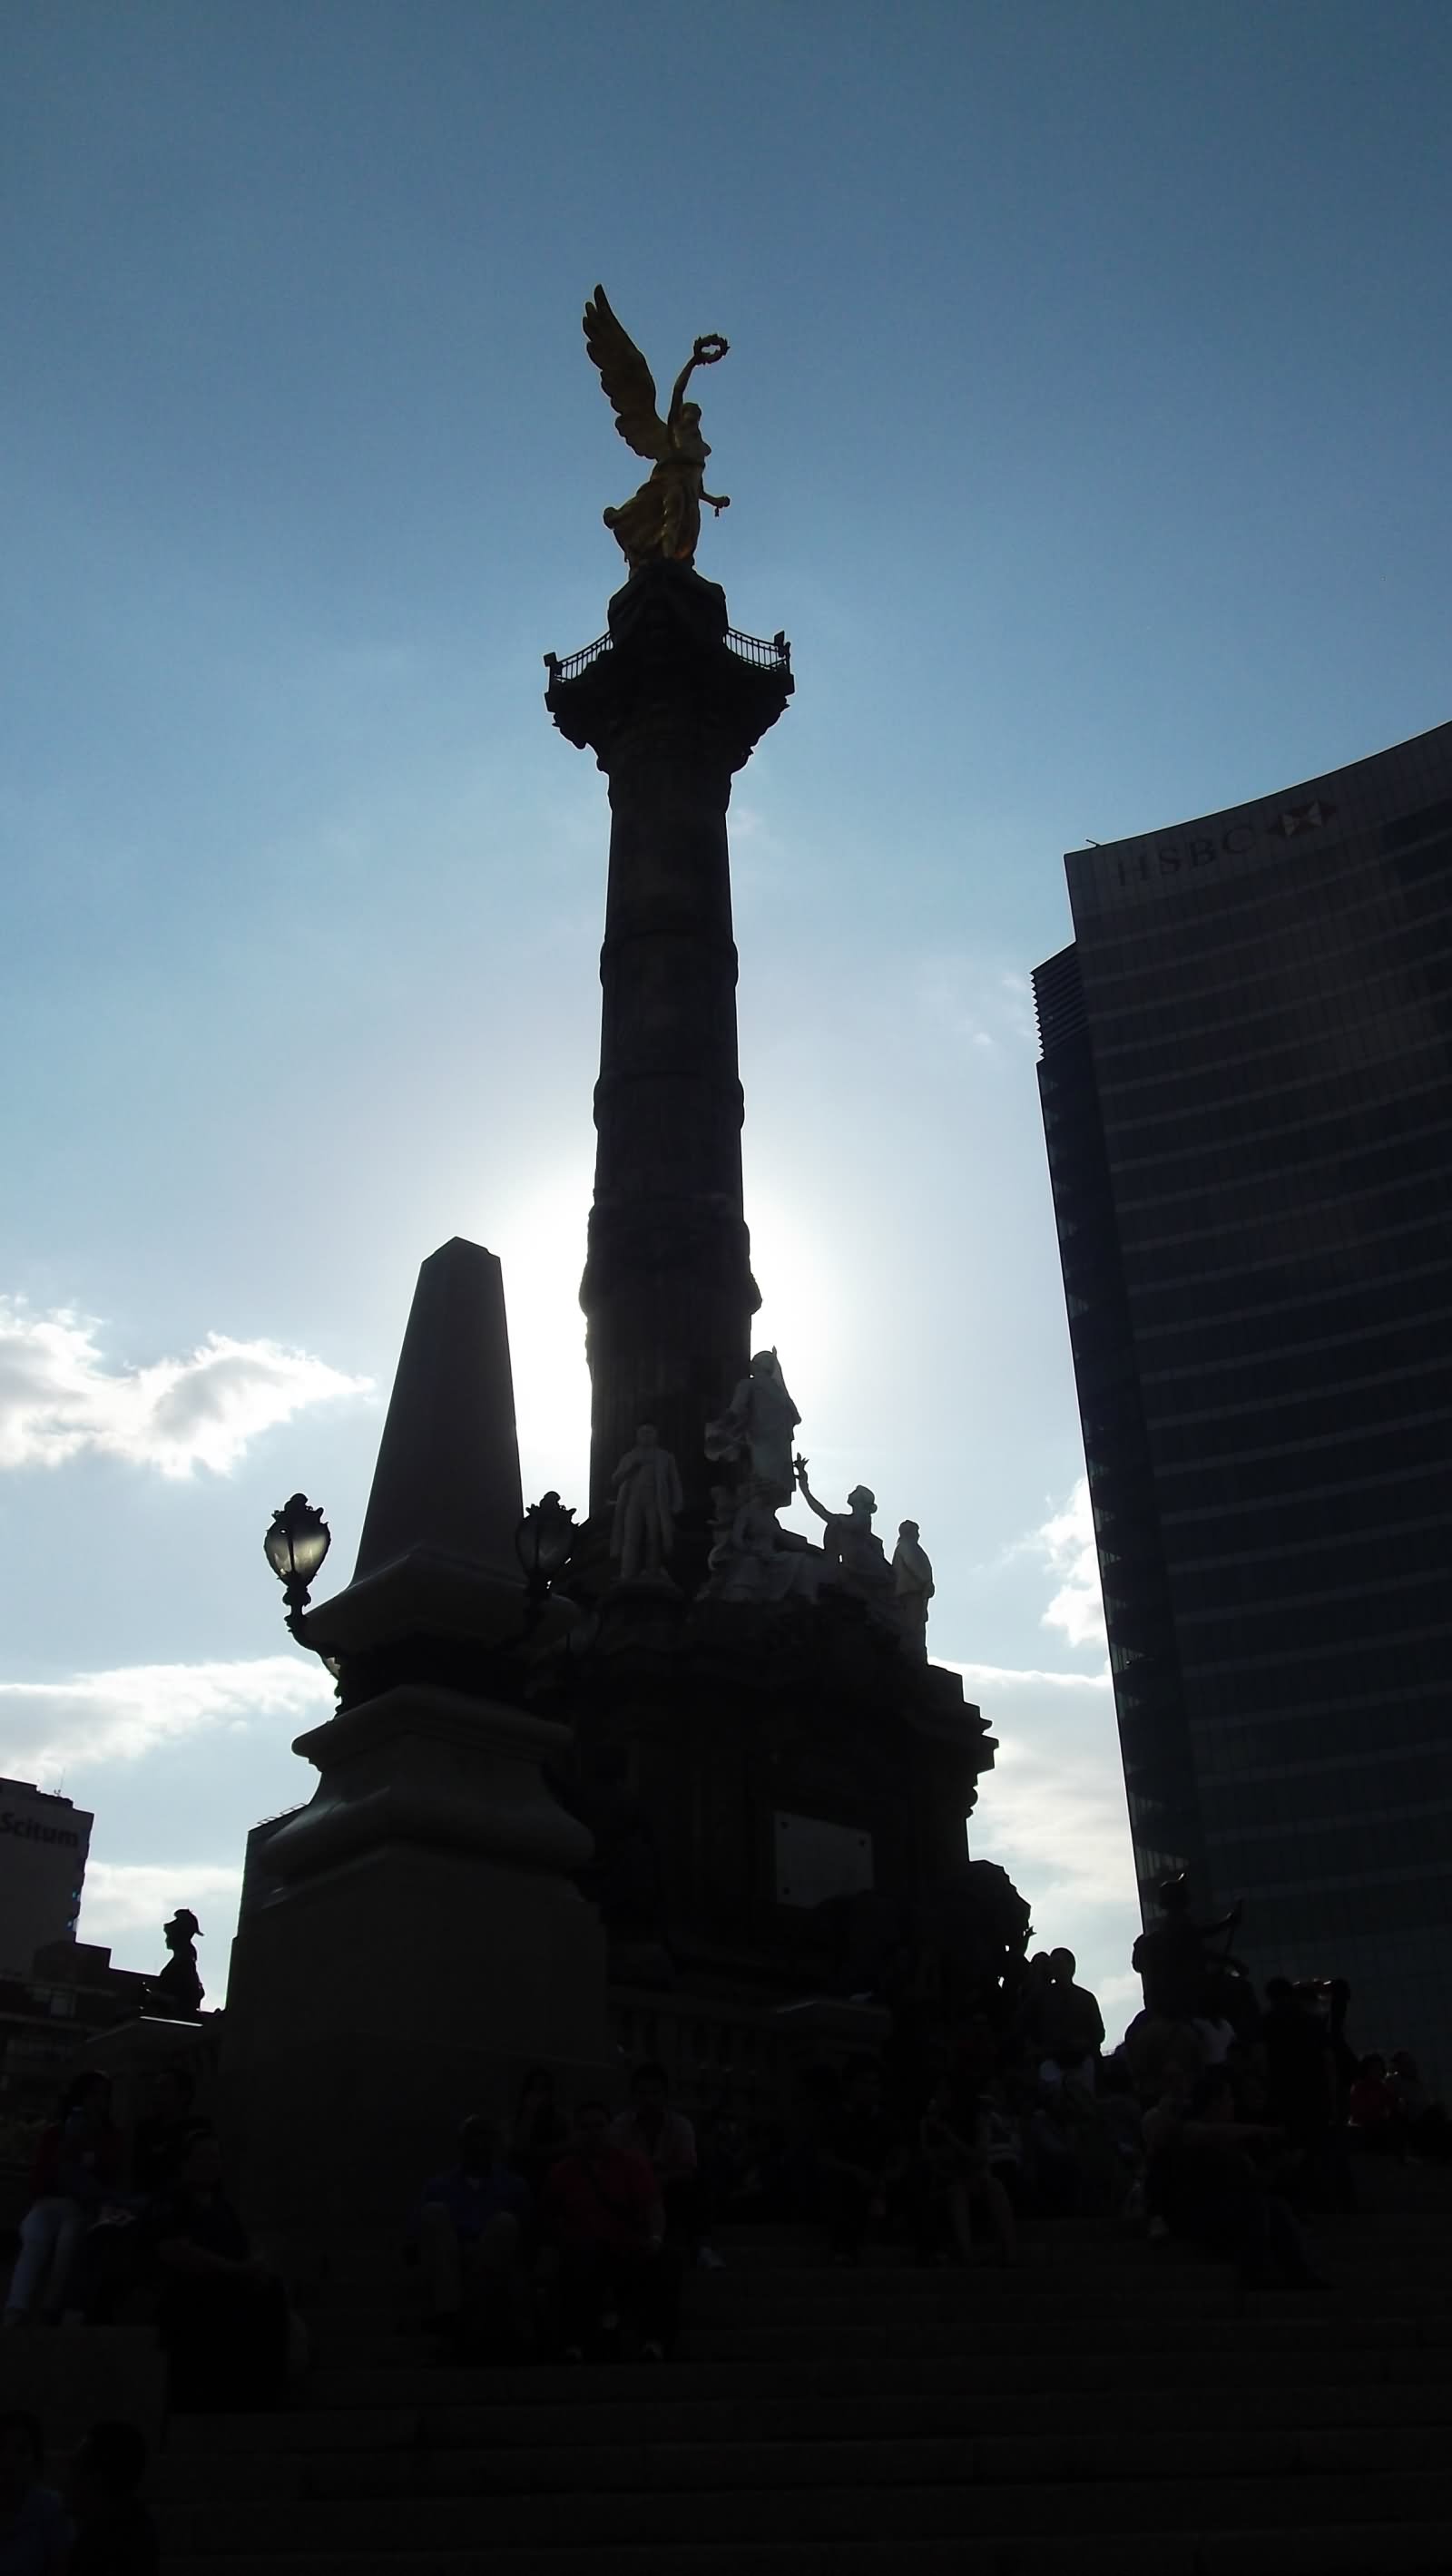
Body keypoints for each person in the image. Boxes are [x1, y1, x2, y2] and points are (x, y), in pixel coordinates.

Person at [143, 2130, 288, 2412]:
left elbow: (244, 2247)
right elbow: (172, 2251)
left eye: (216, 2157)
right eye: (204, 2156)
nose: (211, 2163)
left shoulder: (223, 2208)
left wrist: (254, 2265)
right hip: (184, 2292)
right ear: (185, 2162)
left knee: (271, 2294)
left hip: (228, 2287)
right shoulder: (171, 2200)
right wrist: (234, 2270)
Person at [1144, 2067, 1324, 2289]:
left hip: (1221, 2211)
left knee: (1274, 2207)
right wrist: (1267, 2132)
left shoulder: (1226, 2143)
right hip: (1191, 2214)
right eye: (1228, 2098)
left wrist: (1277, 2169)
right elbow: (1204, 2136)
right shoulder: (1187, 2131)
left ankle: (1297, 2273)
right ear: (1213, 2102)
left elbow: (1250, 2182)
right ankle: (1261, 2271)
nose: (1232, 2104)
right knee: (1257, 2206)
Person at [542, 2101, 681, 2362]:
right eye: (585, 2127)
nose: (592, 2132)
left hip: (626, 2246)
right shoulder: (561, 2172)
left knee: (666, 2261)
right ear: (575, 2131)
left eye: (599, 2126)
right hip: (584, 2250)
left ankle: (655, 2341)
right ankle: (574, 2343)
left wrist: (655, 2238)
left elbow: (653, 2206)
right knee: (579, 2265)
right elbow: (549, 2216)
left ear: (609, 2128)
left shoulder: (632, 2165)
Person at [4, 2071, 121, 2326]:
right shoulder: (56, 2133)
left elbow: (108, 2176)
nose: (97, 2101)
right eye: (93, 2095)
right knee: (35, 2241)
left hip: (79, 2207)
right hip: (47, 2204)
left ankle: (49, 2308)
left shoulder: (108, 2137)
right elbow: (40, 2177)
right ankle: (16, 2310)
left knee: (68, 2243)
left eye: (103, 2096)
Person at [411, 2116, 535, 2352]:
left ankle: (464, 2311)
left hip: (494, 2258)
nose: (479, 2144)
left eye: (485, 2137)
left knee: (506, 2223)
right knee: (434, 2210)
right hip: (450, 2257)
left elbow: (528, 2233)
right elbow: (418, 2234)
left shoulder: (514, 2186)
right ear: (461, 2144)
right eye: (473, 2138)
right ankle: (449, 2311)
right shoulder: (438, 2186)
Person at [609, 2064, 722, 2268]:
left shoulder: (681, 2125)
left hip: (670, 2186)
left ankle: (701, 2247)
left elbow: (688, 2168)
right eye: (642, 2093)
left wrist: (659, 2179)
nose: (648, 2099)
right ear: (633, 2096)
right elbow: (616, 2166)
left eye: (654, 2093)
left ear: (665, 2095)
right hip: (633, 2190)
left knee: (697, 2186)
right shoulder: (621, 2125)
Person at [816, 2057, 911, 2266]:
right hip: (848, 2181)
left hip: (882, 2182)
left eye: (875, 2083)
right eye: (864, 2082)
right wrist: (853, 2171)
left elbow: (902, 2154)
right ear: (849, 2086)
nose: (870, 2089)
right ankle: (844, 2250)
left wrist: (891, 2175)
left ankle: (928, 2248)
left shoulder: (888, 2121)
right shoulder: (834, 2118)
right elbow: (824, 2157)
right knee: (841, 2185)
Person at [919, 2084, 1017, 2267]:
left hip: (974, 2183)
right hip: (944, 2188)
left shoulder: (974, 2121)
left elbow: (980, 2158)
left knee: (994, 2185)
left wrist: (949, 2136)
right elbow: (931, 2163)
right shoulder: (927, 2123)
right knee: (957, 2191)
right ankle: (967, 2254)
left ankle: (1010, 2253)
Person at [68, 2421, 159, 2576]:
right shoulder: (134, 2526)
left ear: (98, 2477)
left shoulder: (108, 2544)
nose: (67, 2478)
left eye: (75, 2467)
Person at [0, 2414, 69, 2575]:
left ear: (35, 2460)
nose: (8, 2459)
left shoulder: (51, 2509)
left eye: (21, 2451)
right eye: (0, 2447)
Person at [1037, 1949, 1105, 2094]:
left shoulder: (1086, 1998)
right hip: (1051, 2061)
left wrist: (1083, 2044)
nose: (1055, 1968)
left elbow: (1099, 2033)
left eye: (1059, 1963)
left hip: (1082, 2061)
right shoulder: (1040, 1998)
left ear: (1070, 1966)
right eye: (1052, 1964)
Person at [508, 2067, 570, 2203]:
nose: (538, 2096)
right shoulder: (516, 2120)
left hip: (551, 2181)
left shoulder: (561, 2121)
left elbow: (566, 2148)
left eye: (542, 2090)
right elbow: (518, 2148)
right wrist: (529, 2114)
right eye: (534, 2090)